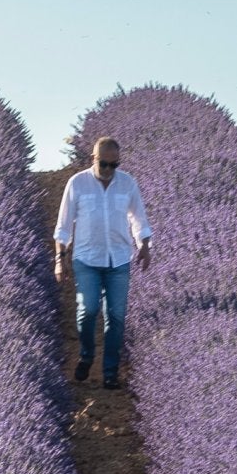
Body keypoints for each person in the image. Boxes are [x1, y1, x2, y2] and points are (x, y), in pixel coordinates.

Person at [53, 137, 152, 389]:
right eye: (104, 164)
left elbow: (138, 218)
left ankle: (110, 372)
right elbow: (63, 227)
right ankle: (86, 356)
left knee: (116, 317)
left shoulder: (127, 183)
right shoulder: (77, 183)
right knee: (88, 311)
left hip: (118, 258)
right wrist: (59, 260)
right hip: (87, 258)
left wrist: (144, 245)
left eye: (113, 165)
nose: (108, 170)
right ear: (93, 159)